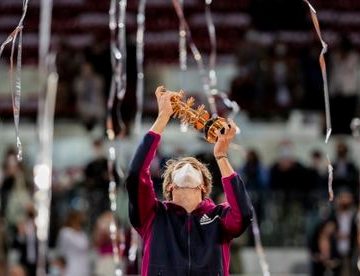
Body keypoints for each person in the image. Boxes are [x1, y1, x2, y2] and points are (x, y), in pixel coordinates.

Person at [125, 86, 253, 275]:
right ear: (169, 185)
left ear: (202, 186)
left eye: (194, 167)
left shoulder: (218, 217)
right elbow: (136, 174)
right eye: (179, 167)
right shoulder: (153, 215)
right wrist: (162, 119)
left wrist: (221, 156)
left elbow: (243, 214)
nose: (186, 165)